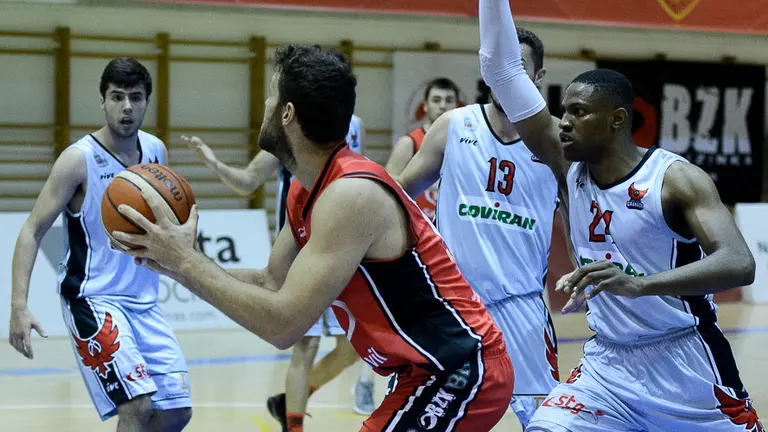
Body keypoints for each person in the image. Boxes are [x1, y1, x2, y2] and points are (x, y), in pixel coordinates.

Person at [111, 44, 513, 432]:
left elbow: (283, 325)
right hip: (418, 371)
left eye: (270, 98)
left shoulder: (350, 194)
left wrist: (186, 261)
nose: (263, 108)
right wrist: (172, 262)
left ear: (287, 113)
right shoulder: (306, 188)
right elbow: (272, 282)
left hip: (461, 366)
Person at [478, 1, 763, 431]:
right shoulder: (565, 162)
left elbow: (739, 264)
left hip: (687, 365)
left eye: (579, 112)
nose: (565, 123)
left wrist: (638, 285)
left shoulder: (676, 180)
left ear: (616, 120)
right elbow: (500, 70)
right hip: (606, 365)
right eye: (565, 111)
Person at [8, 57, 192, 431]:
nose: (126, 107)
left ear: (146, 102)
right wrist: (18, 305)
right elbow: (32, 229)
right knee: (137, 405)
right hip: (93, 299)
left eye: (136, 97)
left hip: (145, 301)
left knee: (176, 412)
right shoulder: (78, 160)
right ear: (103, 100)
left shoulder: (156, 151)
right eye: (117, 96)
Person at [396, 27, 563, 428]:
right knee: (428, 420)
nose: (507, 76)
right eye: (500, 65)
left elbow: (585, 212)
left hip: (521, 308)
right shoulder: (455, 125)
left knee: (548, 423)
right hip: (451, 307)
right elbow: (399, 197)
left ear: (538, 77)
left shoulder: (557, 140)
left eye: (518, 68)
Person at [180, 114, 377, 430]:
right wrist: (213, 162)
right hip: (300, 247)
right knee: (306, 345)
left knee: (353, 346)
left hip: (343, 244)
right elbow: (247, 181)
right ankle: (294, 423)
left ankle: (288, 402)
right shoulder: (287, 133)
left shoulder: (355, 124)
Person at [385, 77, 460, 221]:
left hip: (451, 229)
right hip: (417, 229)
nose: (443, 106)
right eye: (436, 100)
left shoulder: (466, 144)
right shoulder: (409, 143)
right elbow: (388, 187)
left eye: (449, 100)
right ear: (425, 105)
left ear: (457, 105)